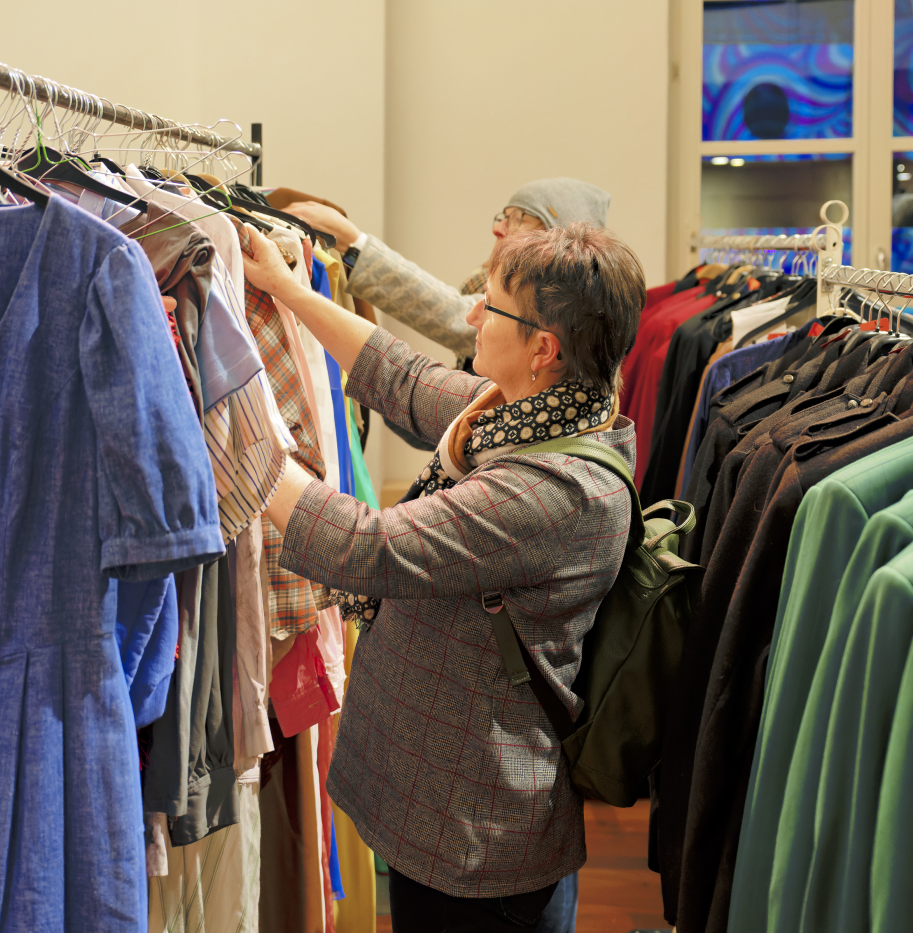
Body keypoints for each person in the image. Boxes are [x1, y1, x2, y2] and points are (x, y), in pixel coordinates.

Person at [246, 220, 644, 932]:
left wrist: (233, 435)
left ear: (543, 349)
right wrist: (282, 286)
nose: (471, 316)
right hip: (451, 799)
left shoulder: (556, 490)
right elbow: (402, 378)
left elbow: (367, 545)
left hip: (479, 842)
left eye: (490, 306)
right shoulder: (525, 416)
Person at [285, 177, 612, 363]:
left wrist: (354, 244)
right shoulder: (482, 282)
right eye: (503, 216)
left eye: (518, 218)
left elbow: (459, 321)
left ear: (554, 236)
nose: (499, 229)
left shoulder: (562, 309)